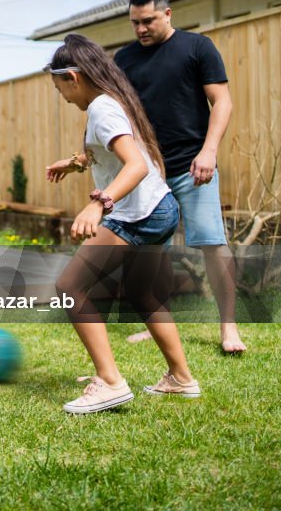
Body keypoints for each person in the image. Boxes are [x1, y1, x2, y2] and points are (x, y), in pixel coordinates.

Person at [45, 34, 199, 415]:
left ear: (74, 78)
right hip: (159, 207)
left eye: (58, 86)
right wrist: (77, 162)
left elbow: (136, 164)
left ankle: (110, 383)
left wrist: (99, 205)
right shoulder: (110, 102)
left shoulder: (102, 108)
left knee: (70, 287)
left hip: (137, 213)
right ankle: (181, 378)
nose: (61, 95)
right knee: (144, 295)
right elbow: (112, 151)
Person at [115, 0, 245, 354]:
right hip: (149, 171)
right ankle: (158, 321)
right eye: (135, 23)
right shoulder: (125, 59)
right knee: (153, 251)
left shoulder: (197, 47)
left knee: (212, 243)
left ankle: (229, 327)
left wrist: (209, 151)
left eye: (148, 21)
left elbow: (221, 101)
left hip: (193, 166)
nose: (141, 29)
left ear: (168, 14)